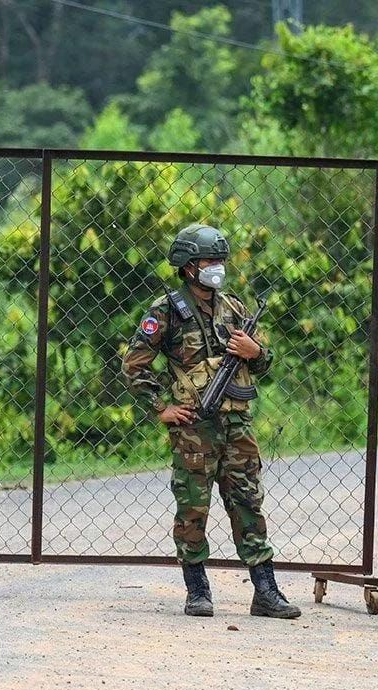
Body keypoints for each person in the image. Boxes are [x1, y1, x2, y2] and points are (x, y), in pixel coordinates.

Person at [122, 223, 300, 619]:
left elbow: (265, 363)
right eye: (208, 260)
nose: (216, 267)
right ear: (187, 266)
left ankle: (266, 592)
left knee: (248, 503)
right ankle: (197, 590)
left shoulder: (233, 307)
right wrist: (160, 408)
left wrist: (255, 352)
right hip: (193, 429)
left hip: (238, 426)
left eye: (220, 259)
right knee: (193, 507)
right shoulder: (165, 310)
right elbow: (134, 365)